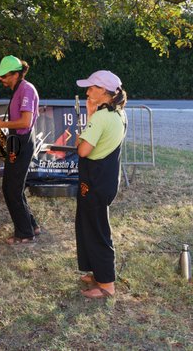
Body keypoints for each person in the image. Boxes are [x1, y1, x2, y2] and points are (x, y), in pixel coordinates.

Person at [74, 70, 127, 299]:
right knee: (90, 226)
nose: (87, 92)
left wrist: (84, 131)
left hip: (94, 182)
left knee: (97, 231)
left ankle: (106, 285)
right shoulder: (117, 113)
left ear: (104, 92)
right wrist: (89, 114)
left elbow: (83, 149)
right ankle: (98, 273)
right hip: (105, 179)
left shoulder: (102, 117)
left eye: (92, 88)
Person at [0, 55, 41, 245]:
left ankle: (25, 233)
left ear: (16, 74)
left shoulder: (26, 89)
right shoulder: (19, 88)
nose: (1, 79)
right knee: (12, 188)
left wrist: (1, 123)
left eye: (4, 75)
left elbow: (26, 122)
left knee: (12, 189)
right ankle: (32, 225)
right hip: (16, 141)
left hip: (22, 142)